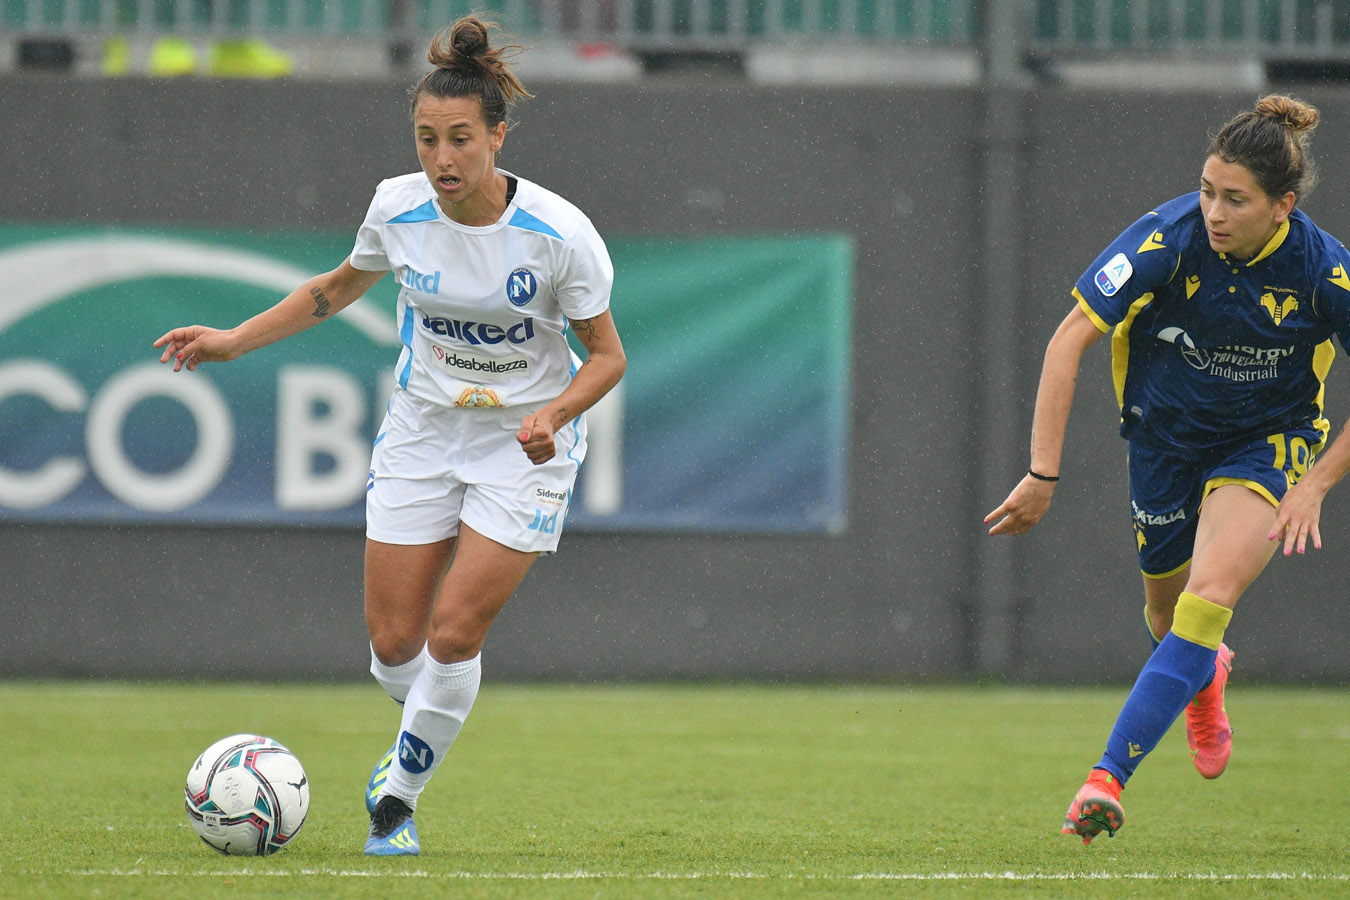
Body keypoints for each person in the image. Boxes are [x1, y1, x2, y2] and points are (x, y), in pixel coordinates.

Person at [154, 15, 625, 857]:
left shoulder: (560, 236)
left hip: (523, 444)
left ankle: (396, 798)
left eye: (460, 139)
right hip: (422, 432)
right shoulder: (396, 207)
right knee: (394, 646)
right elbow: (336, 289)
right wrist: (232, 339)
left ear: (497, 137)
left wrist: (554, 415)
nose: (442, 158)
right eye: (426, 139)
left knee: (455, 632)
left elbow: (608, 357)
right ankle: (424, 730)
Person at [984, 94, 1350, 845]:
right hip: (1164, 441)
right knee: (1166, 614)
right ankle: (1204, 678)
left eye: (1236, 200)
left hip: (1267, 443)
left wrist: (1315, 483)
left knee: (1206, 600)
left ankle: (1105, 780)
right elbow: (1067, 341)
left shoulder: (1324, 271)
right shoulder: (1167, 238)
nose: (1213, 212)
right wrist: (1042, 475)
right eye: (1208, 190)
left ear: (1282, 206)